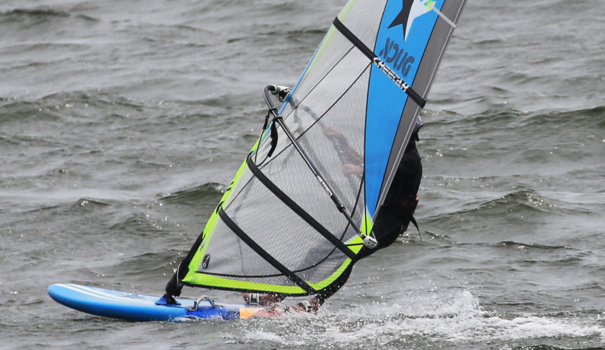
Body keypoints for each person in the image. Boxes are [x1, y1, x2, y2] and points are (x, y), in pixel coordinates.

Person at [163, 90, 423, 312]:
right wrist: (341, 142)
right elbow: (362, 162)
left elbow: (378, 174)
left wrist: (358, 171)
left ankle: (313, 305)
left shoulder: (410, 159)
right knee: (321, 250)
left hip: (390, 223)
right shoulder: (392, 152)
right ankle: (277, 296)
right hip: (371, 216)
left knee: (345, 254)